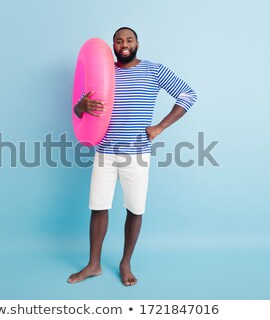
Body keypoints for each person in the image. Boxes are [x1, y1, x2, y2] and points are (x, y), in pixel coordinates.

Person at [68, 27, 197, 286]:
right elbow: (80, 108)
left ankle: (125, 262)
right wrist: (80, 106)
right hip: (104, 152)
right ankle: (94, 264)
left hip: (136, 154)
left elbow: (188, 95)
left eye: (129, 40)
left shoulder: (153, 70)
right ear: (112, 46)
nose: (124, 44)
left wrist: (160, 126)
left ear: (137, 43)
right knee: (98, 206)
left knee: (135, 208)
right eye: (118, 41)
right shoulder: (103, 73)